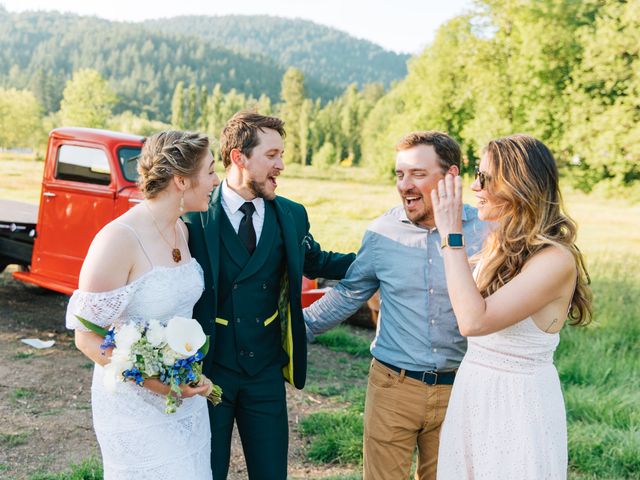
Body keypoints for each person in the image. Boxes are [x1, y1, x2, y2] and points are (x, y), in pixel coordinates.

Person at [304, 131, 488, 480]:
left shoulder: (486, 230)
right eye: (400, 175)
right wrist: (288, 330)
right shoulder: (382, 233)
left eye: (418, 174)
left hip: (462, 390)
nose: (405, 185)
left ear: (450, 176)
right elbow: (347, 294)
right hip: (393, 388)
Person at [183, 110, 355, 480]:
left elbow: (317, 261)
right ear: (238, 158)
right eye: (272, 155)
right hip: (209, 369)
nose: (281, 165)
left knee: (272, 472)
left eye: (281, 155)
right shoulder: (194, 217)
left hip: (265, 370)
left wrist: (379, 260)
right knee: (206, 471)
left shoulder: (291, 215)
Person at [432, 134, 592, 479]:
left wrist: (451, 235)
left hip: (517, 405)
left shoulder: (555, 260)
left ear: (518, 185)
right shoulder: (499, 246)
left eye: (485, 177)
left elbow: (474, 321)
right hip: (474, 390)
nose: (475, 186)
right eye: (477, 174)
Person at [65, 130, 220, 479]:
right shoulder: (117, 240)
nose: (216, 180)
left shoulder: (182, 229)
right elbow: (86, 337)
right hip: (132, 405)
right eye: (210, 171)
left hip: (183, 400)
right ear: (181, 180)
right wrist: (155, 382)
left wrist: (187, 378)